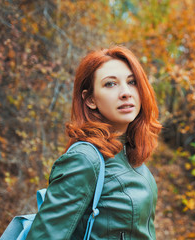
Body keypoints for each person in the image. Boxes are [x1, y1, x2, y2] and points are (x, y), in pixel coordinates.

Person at [26, 45, 162, 239]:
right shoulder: (84, 158)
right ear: (90, 100)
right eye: (110, 84)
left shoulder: (129, 151)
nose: (126, 92)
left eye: (132, 82)